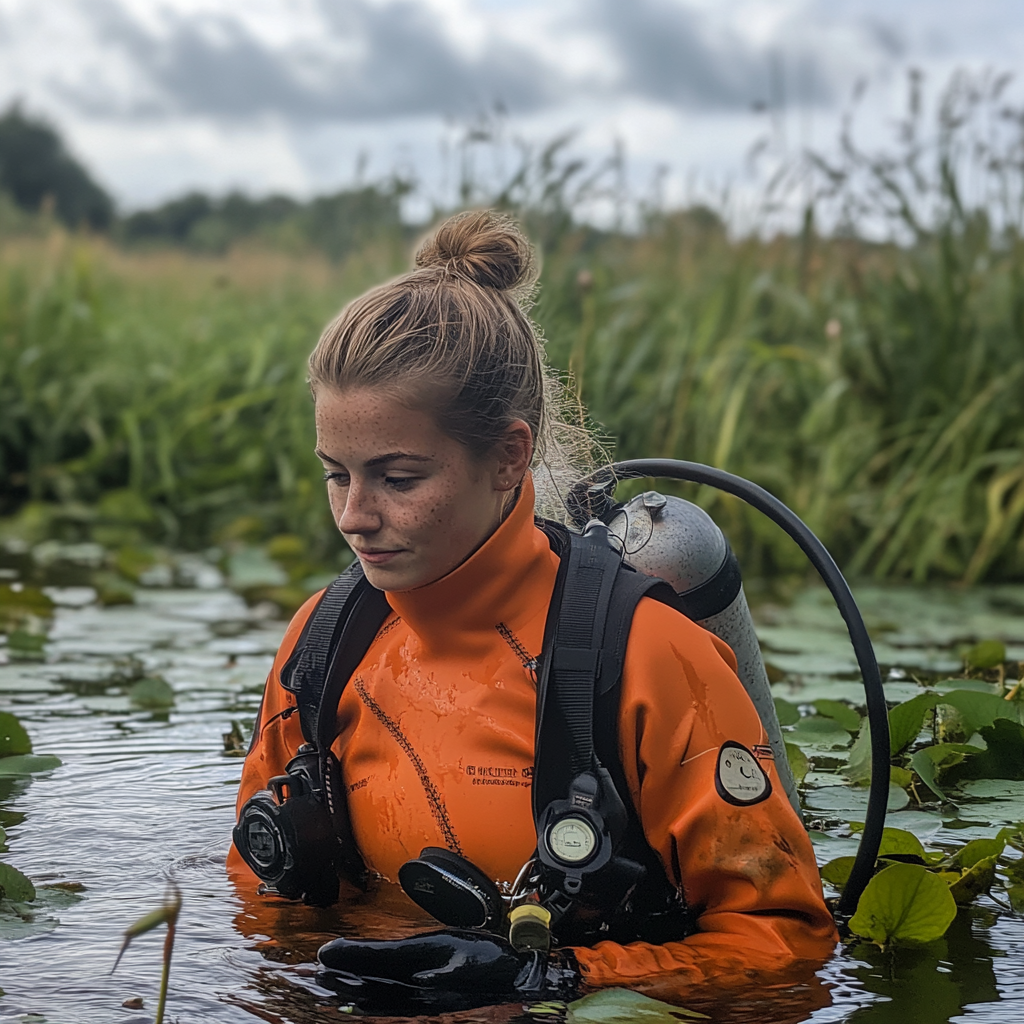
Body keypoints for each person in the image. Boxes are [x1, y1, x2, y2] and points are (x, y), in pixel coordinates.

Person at [229, 209, 838, 1005]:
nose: (354, 515)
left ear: (510, 455)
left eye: (398, 478)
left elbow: (786, 945)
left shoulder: (650, 657)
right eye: (337, 473)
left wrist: (551, 976)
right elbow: (254, 887)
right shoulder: (323, 641)